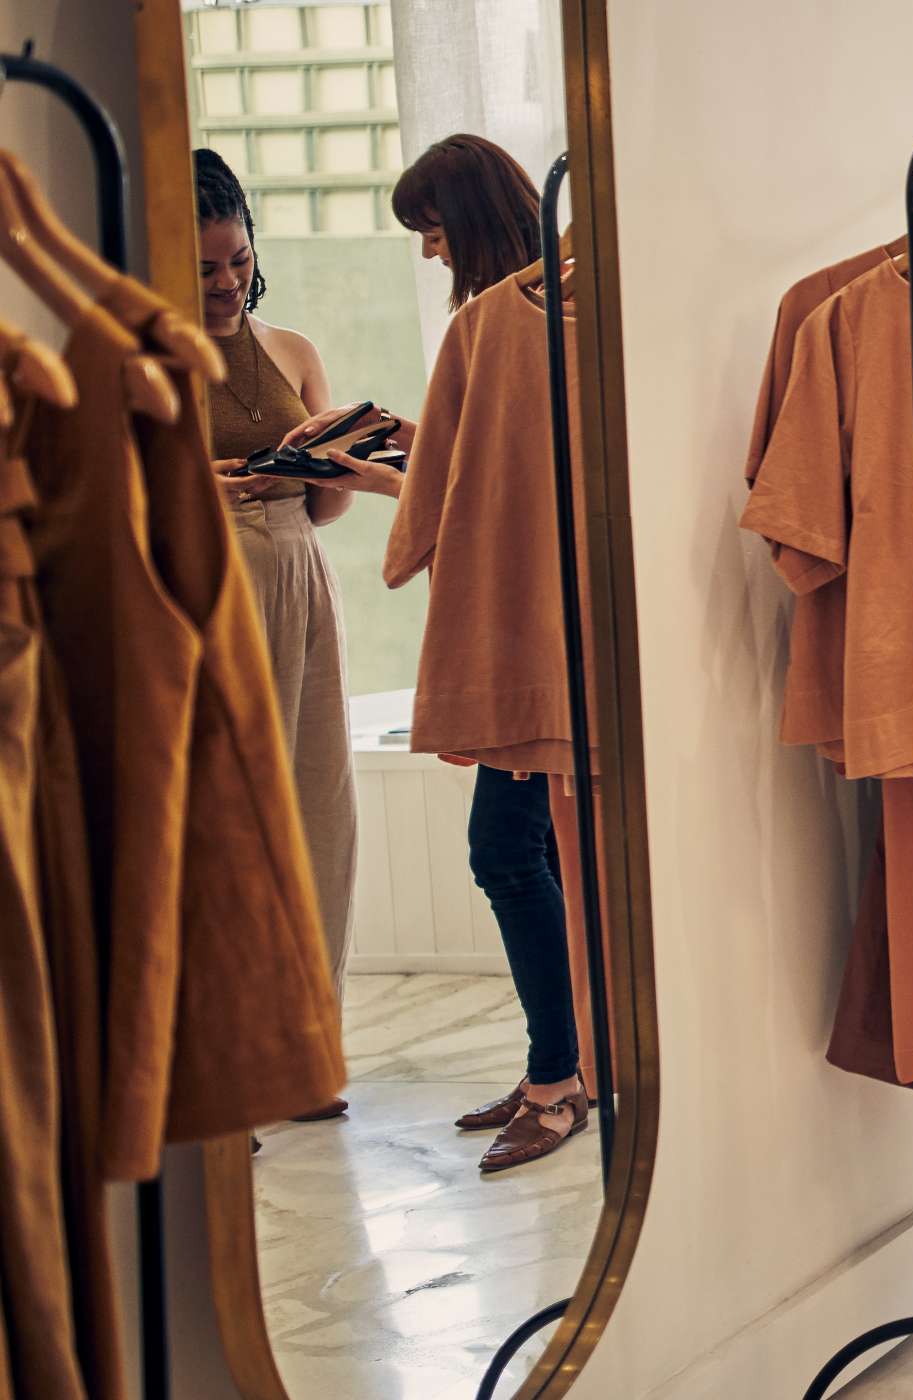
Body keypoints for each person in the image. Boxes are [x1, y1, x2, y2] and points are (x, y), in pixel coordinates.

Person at [285, 133, 589, 1174]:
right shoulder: (586, 315)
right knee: (544, 851)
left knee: (505, 850)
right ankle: (565, 1055)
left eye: (430, 230)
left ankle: (558, 1080)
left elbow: (447, 510)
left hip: (523, 635)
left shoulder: (493, 322)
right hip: (585, 629)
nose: (427, 254)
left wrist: (349, 467)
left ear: (466, 219)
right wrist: (419, 446)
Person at [196, 148, 362, 1126]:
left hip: (301, 570)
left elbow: (334, 508)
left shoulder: (294, 349)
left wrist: (320, 464)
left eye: (235, 262)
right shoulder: (150, 363)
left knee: (318, 811)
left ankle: (307, 1045)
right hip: (208, 585)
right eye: (203, 268)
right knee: (229, 820)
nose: (223, 284)